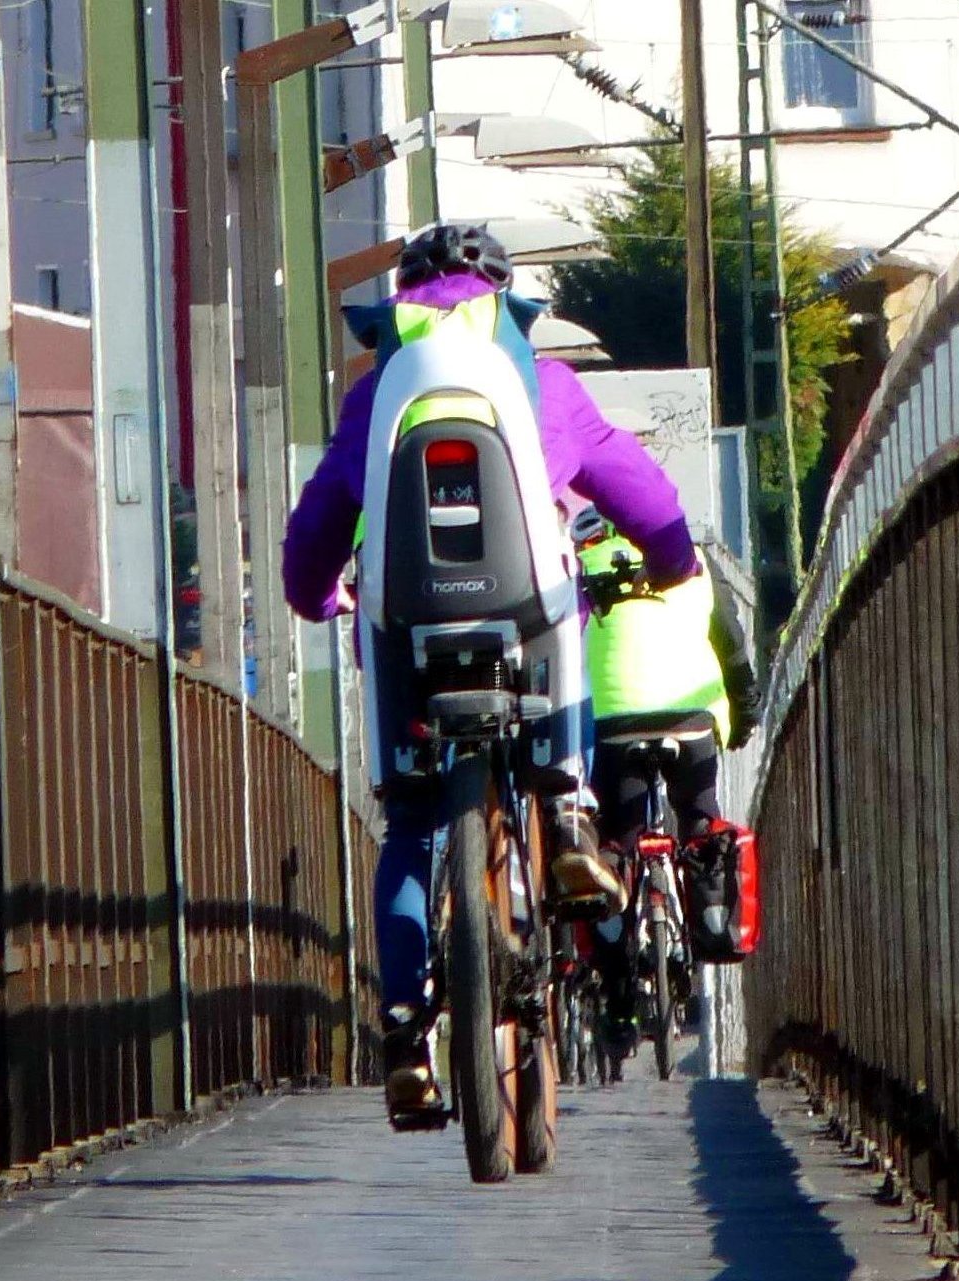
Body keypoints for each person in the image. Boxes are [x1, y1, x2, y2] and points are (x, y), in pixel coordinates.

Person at [280, 222, 701, 1118]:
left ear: (401, 304)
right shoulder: (544, 382)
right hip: (526, 611)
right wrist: (672, 560)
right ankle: (569, 816)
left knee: (410, 823)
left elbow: (318, 523)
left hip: (405, 626)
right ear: (506, 301)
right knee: (562, 619)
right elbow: (638, 488)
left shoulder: (375, 396)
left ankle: (406, 1034)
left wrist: (317, 596)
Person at [567, 506, 755, 1056]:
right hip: (691, 719)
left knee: (616, 842)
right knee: (699, 821)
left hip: (613, 723)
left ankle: (619, 998)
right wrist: (743, 715)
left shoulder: (577, 566)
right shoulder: (690, 558)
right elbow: (732, 647)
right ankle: (708, 925)